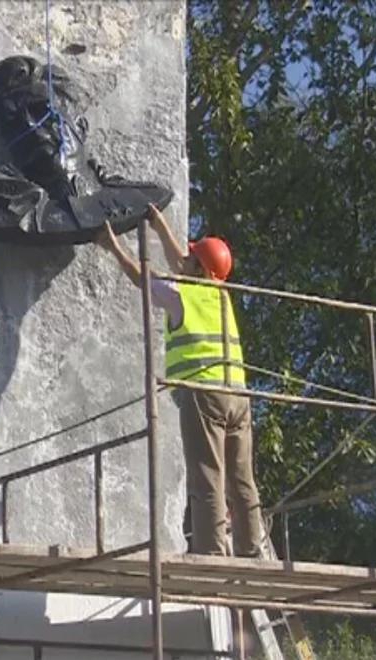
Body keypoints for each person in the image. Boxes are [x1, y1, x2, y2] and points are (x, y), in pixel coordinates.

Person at [98, 204, 264, 557]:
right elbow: (185, 265)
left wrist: (112, 246)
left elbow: (143, 279)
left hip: (204, 396)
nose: (183, 261)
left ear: (200, 269)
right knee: (242, 481)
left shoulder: (181, 294)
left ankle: (212, 552)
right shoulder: (219, 294)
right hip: (238, 397)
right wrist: (159, 225)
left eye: (191, 259)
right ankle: (252, 550)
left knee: (208, 477)